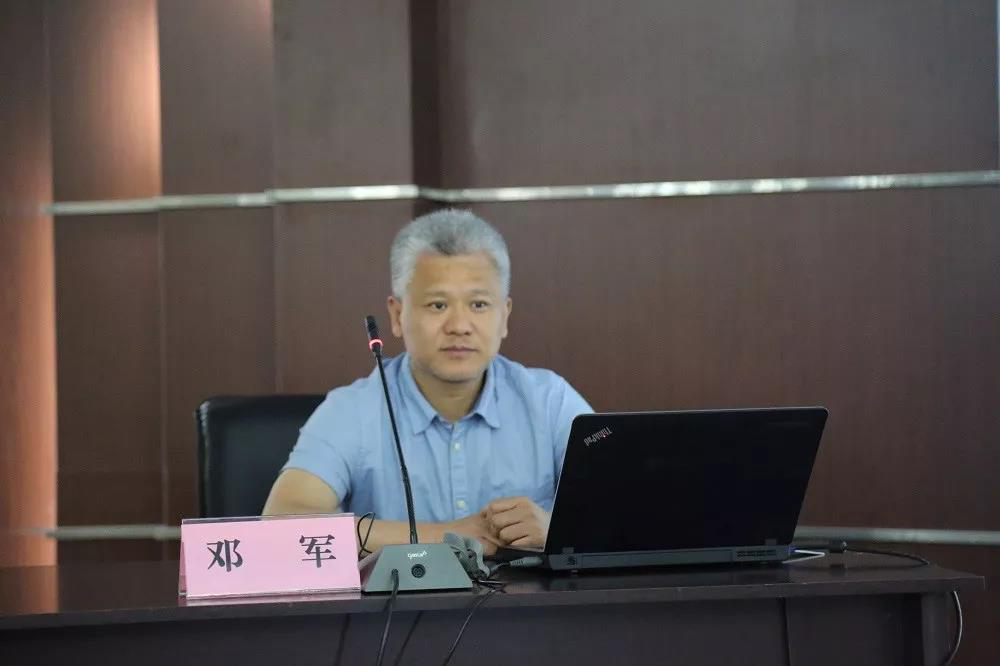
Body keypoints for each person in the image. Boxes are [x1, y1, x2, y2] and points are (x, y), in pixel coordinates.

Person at [263, 209, 592, 556]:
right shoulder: (352, 410)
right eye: (437, 305)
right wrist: (446, 536)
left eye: (479, 304)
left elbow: (624, 510)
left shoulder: (550, 401)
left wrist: (557, 529)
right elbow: (281, 525)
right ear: (397, 315)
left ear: (504, 316)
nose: (459, 326)